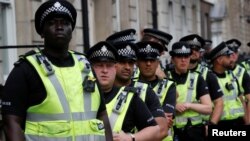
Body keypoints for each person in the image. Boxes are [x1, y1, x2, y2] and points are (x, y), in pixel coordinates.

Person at [2, 0, 112, 141]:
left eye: (65, 23)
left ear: (72, 30)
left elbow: (102, 115)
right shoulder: (25, 69)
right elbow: (11, 123)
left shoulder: (85, 67)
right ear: (42, 32)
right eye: (52, 23)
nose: (60, 27)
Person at [87, 41, 161, 141]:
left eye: (109, 66)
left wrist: (131, 138)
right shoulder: (81, 96)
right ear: (91, 68)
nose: (104, 70)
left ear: (115, 68)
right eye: (99, 65)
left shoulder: (129, 97)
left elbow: (156, 130)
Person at [106, 29, 169, 140]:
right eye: (122, 61)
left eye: (131, 62)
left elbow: (162, 130)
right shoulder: (100, 89)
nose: (127, 67)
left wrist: (132, 138)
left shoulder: (145, 90)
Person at [168, 41, 212, 141]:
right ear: (173, 59)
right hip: (173, 132)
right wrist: (174, 106)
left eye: (186, 56)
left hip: (194, 132)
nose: (183, 60)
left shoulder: (197, 78)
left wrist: (189, 105)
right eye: (179, 57)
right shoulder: (166, 78)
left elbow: (208, 108)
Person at [134, 41, 177, 141]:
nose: (148, 64)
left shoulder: (169, 86)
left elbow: (167, 119)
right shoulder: (130, 84)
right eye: (144, 60)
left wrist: (137, 117)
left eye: (152, 60)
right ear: (137, 62)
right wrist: (158, 117)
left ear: (158, 63)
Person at [180, 34, 223, 126]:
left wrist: (212, 124)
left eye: (197, 49)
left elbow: (219, 102)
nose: (194, 52)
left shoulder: (207, 74)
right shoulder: (171, 73)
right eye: (191, 48)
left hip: (200, 127)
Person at [208, 41, 247, 126]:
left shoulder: (231, 75)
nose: (231, 59)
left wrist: (247, 123)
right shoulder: (208, 78)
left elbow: (241, 100)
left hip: (238, 122)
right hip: (220, 124)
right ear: (219, 60)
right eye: (228, 56)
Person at [226, 39, 250, 124]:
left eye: (235, 53)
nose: (233, 55)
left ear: (238, 54)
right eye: (230, 53)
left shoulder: (242, 71)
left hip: (242, 113)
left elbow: (248, 98)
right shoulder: (220, 71)